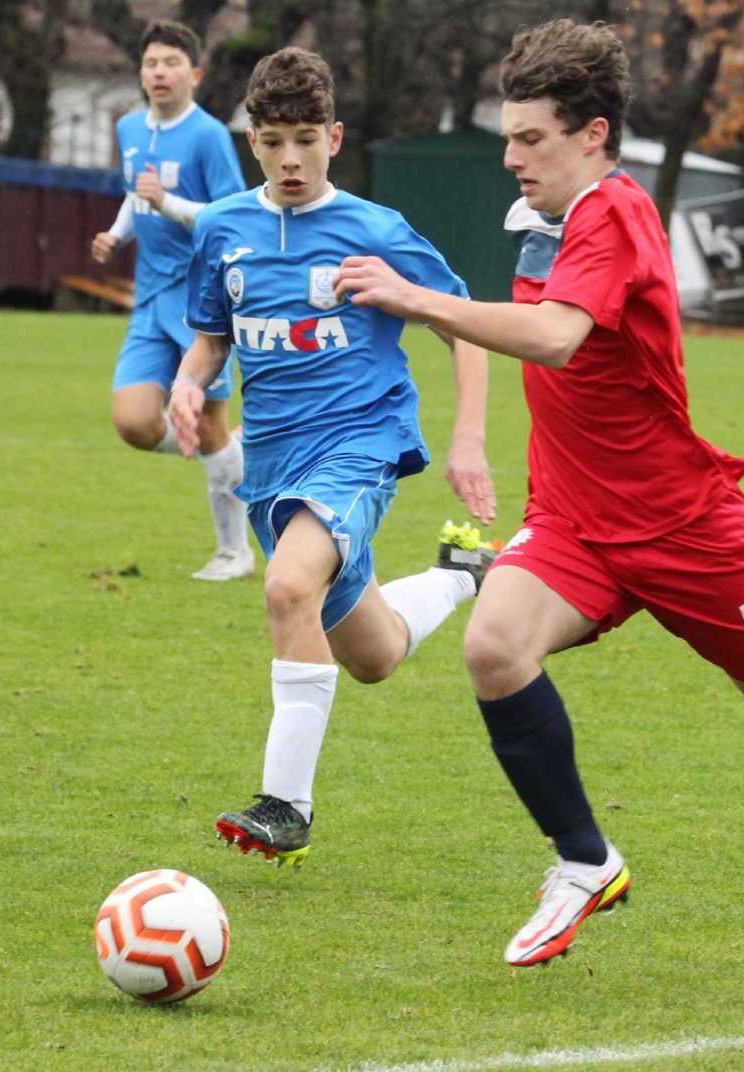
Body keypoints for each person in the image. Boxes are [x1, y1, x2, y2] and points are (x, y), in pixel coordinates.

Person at [334, 20, 744, 967]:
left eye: (531, 139)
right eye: (509, 138)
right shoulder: (541, 214)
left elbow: (555, 337)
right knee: (494, 647)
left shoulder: (615, 212)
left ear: (592, 134)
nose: (511, 158)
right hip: (573, 519)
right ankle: (584, 860)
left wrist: (412, 297)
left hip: (682, 526)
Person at [169, 47, 498, 869]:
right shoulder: (220, 230)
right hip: (271, 467)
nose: (291, 159)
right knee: (373, 655)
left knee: (287, 586)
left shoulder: (375, 230)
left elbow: (463, 327)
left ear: (335, 138)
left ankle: (286, 805)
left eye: (306, 140)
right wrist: (185, 383)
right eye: (274, 141)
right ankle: (464, 575)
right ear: (252, 142)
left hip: (359, 445)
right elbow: (212, 337)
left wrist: (466, 440)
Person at [91, 20, 256, 581]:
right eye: (151, 63)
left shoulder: (208, 136)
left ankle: (234, 553)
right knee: (133, 421)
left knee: (211, 426)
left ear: (195, 74)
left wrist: (169, 204)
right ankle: (226, 455)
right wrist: (118, 233)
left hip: (201, 301)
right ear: (140, 73)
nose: (160, 73)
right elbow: (135, 194)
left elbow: (230, 217)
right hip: (150, 298)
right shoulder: (129, 128)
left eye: (171, 63)